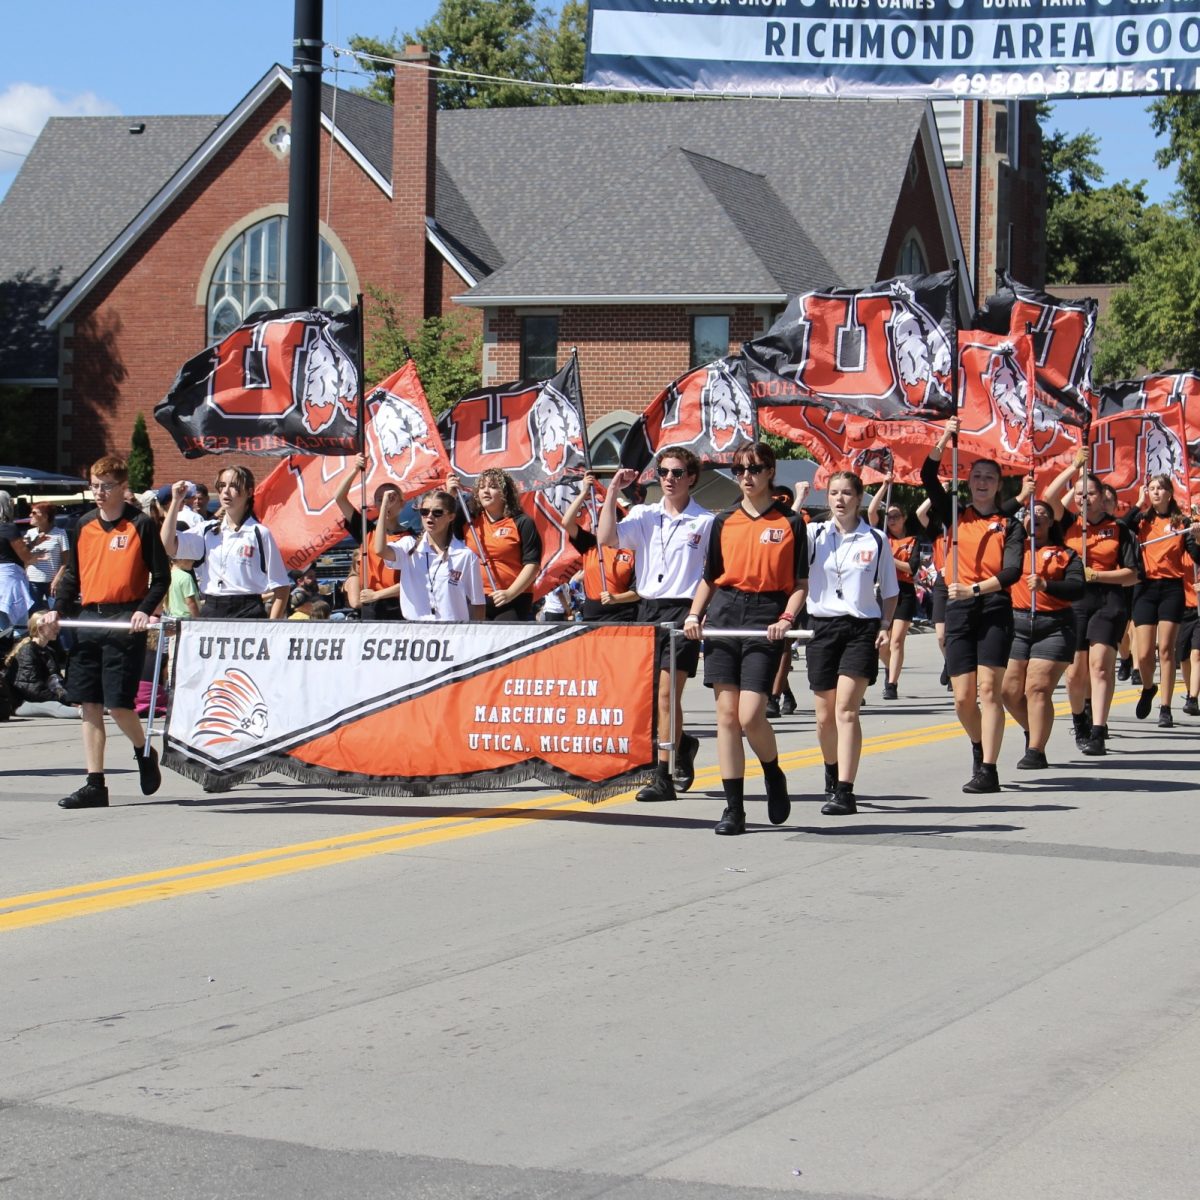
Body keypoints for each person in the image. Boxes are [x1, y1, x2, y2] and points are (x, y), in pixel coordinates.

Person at [684, 443, 808, 834]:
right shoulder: (723, 522)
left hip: (765, 615)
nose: (746, 476)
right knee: (726, 717)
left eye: (754, 468)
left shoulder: (791, 522)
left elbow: (801, 583)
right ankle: (733, 808)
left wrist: (787, 617)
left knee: (751, 714)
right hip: (725, 616)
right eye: (739, 469)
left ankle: (772, 772)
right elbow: (710, 579)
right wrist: (694, 614)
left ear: (770, 471)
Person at [42, 455, 169, 808]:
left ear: (122, 488)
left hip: (125, 618)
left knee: (117, 704)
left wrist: (144, 611)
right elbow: (73, 576)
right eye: (95, 486)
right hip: (89, 620)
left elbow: (161, 578)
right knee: (89, 703)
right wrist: (58, 611)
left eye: (106, 486)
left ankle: (144, 750)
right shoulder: (83, 525)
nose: (99, 492)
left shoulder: (140, 525)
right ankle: (94, 783)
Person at [600, 447, 715, 802]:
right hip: (648, 609)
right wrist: (610, 493)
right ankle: (682, 746)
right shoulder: (645, 514)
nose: (669, 478)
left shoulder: (705, 521)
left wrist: (700, 611)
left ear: (691, 477)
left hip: (683, 610)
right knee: (655, 698)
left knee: (667, 695)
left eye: (677, 473)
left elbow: (713, 572)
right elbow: (607, 538)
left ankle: (661, 774)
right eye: (663, 472)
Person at [922, 418, 1025, 793]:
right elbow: (928, 474)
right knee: (963, 698)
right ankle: (978, 745)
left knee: (988, 692)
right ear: (969, 481)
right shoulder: (954, 513)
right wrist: (945, 437)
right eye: (977, 476)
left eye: (990, 478)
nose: (982, 482)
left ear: (1000, 485)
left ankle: (989, 769)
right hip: (958, 610)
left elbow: (1012, 571)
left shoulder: (1010, 525)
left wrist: (977, 589)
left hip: (993, 606)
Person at [804, 471, 899, 814]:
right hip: (822, 626)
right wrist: (798, 501)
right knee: (824, 715)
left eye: (846, 493)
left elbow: (890, 591)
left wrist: (886, 625)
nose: (840, 499)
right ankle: (831, 773)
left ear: (859, 498)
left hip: (860, 628)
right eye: (833, 493)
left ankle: (845, 789)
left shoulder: (874, 539)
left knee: (846, 708)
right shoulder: (813, 533)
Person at [1000, 500, 1085, 769]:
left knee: (1036, 688)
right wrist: (1023, 494)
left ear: (1051, 522)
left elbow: (1077, 588)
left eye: (1042, 515)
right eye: (1029, 513)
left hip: (1055, 626)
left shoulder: (1066, 554)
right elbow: (996, 513)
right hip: (1016, 625)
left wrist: (1046, 584)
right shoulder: (1013, 549)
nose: (1034, 517)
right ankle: (1033, 729)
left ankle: (1036, 750)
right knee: (1009, 692)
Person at [161, 467, 291, 619]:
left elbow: (282, 587)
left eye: (234, 486)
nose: (226, 491)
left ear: (249, 492)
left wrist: (270, 626)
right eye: (222, 486)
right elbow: (168, 545)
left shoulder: (259, 533)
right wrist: (176, 501)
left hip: (248, 611)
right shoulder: (207, 530)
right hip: (212, 609)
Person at [1124, 477, 1200, 726]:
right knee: (1145, 654)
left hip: (1171, 588)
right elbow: (1121, 528)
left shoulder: (1182, 522)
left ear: (1169, 493)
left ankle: (1165, 707)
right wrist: (1137, 503)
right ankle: (1148, 688)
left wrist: (1198, 539)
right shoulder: (1142, 520)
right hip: (1145, 588)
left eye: (1160, 489)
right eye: (1152, 489)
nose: (1155, 493)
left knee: (1166, 650)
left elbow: (1197, 557)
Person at [374, 488, 485, 621]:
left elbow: (477, 602)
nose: (429, 516)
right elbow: (380, 550)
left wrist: (474, 636)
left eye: (437, 512)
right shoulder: (409, 546)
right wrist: (384, 507)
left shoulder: (465, 555)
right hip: (416, 632)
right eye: (424, 512)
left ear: (451, 517)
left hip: (453, 633)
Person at [448, 469, 541, 621]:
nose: (485, 491)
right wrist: (450, 496)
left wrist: (510, 593)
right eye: (482, 487)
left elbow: (532, 564)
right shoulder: (468, 521)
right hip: (475, 598)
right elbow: (439, 531)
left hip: (512, 599)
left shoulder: (522, 522)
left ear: (505, 492)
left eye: (492, 486)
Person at [867, 474, 921, 700]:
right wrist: (883, 487)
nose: (891, 520)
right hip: (885, 590)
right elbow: (871, 513)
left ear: (904, 517)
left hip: (905, 591)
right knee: (882, 643)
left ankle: (891, 684)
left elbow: (911, 568)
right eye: (889, 517)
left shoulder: (912, 540)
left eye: (896, 517)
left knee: (897, 639)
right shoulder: (882, 536)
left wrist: (889, 557)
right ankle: (891, 667)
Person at [561, 473, 639, 622]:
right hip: (591, 617)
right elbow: (566, 522)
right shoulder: (591, 544)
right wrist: (583, 492)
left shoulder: (633, 549)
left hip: (624, 618)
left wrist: (615, 598)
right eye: (600, 519)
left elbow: (638, 592)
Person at [334, 455, 403, 620]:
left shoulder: (412, 537)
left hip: (400, 604)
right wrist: (355, 469)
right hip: (371, 607)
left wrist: (378, 594)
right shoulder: (367, 531)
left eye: (392, 498)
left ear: (402, 504)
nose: (386, 502)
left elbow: (415, 580)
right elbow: (340, 498)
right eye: (380, 499)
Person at [5, 610, 78, 718]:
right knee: (54, 706)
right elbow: (32, 689)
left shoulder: (49, 651)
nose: (58, 628)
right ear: (40, 628)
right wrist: (64, 700)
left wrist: (70, 697)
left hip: (44, 697)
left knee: (81, 699)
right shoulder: (27, 651)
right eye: (52, 625)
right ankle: (87, 713)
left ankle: (95, 710)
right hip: (23, 702)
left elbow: (56, 681)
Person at [24, 502, 69, 612]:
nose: (30, 515)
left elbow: (65, 561)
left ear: (45, 516)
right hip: (32, 580)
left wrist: (57, 579)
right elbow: (23, 556)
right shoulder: (30, 533)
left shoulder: (60, 534)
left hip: (52, 582)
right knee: (35, 615)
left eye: (34, 513)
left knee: (56, 613)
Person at [0, 490, 36, 628]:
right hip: (9, 581)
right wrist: (35, 556)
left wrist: (32, 544)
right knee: (19, 627)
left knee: (2, 627)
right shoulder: (8, 528)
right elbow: (26, 556)